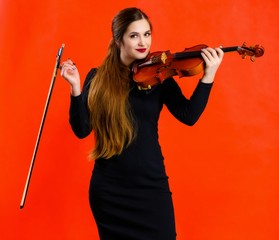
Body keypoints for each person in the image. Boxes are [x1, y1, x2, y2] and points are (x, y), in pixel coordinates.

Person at [60, 7, 223, 240]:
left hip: (150, 187)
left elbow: (189, 115)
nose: (143, 42)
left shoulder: (160, 76)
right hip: (110, 192)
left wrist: (208, 76)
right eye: (134, 35)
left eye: (147, 34)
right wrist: (76, 89)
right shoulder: (98, 78)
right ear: (118, 40)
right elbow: (82, 129)